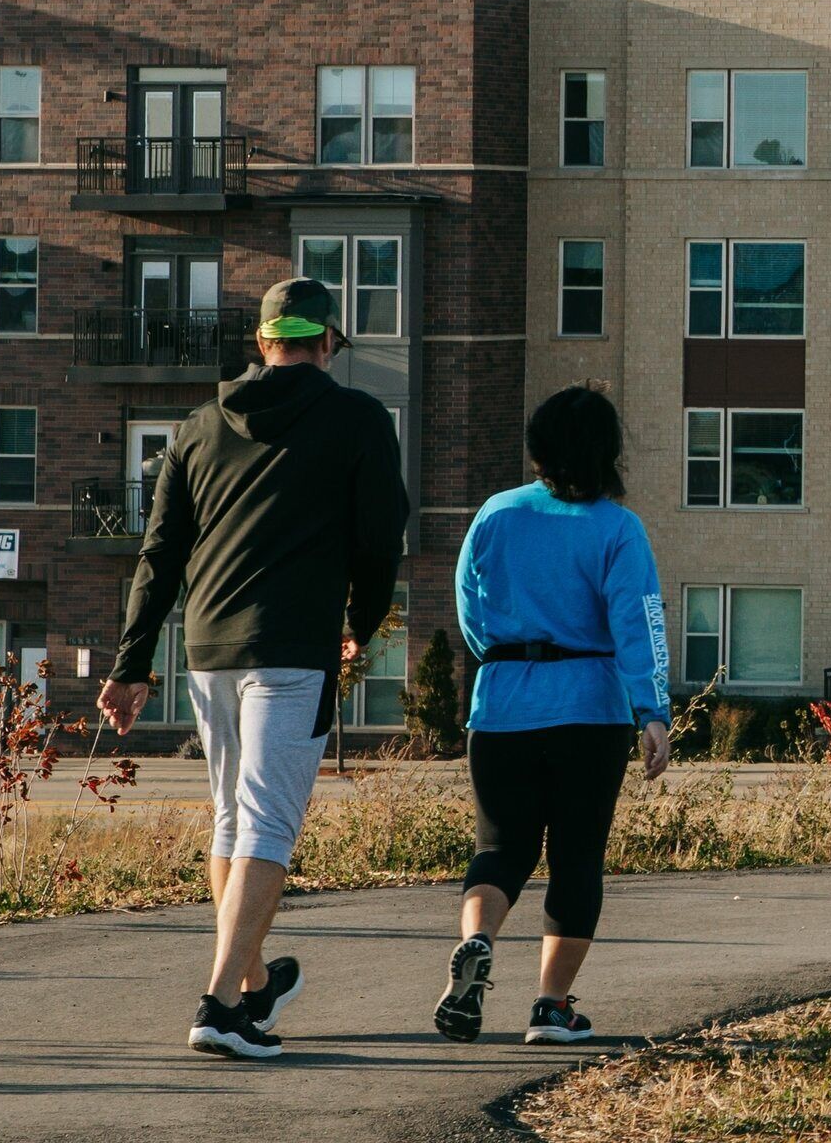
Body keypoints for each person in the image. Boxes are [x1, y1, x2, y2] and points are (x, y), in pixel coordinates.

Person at [102, 275, 409, 1060]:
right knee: (268, 823)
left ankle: (252, 985)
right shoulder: (358, 418)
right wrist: (362, 623)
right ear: (329, 341)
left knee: (235, 821)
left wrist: (133, 664)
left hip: (208, 651)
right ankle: (217, 1006)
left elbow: (160, 551)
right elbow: (380, 539)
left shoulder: (198, 426)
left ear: (262, 341)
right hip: (294, 649)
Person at [437, 386, 671, 1044]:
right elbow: (639, 624)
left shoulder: (494, 514)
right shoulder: (618, 529)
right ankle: (550, 1005)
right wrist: (653, 711)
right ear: (607, 452)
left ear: (537, 446)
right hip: (589, 711)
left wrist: (507, 662)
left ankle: (478, 939)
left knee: (500, 848)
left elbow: (470, 614)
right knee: (576, 859)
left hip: (503, 704)